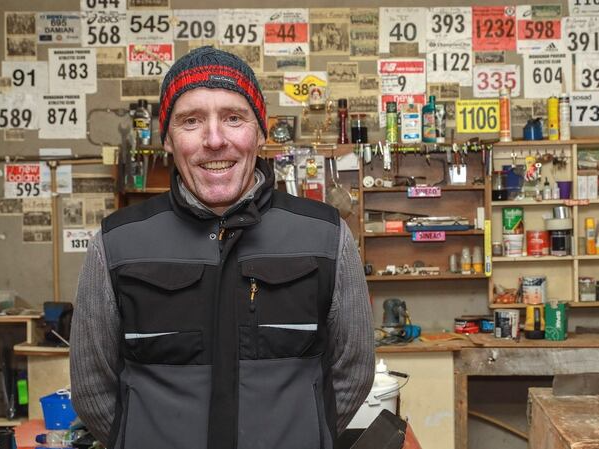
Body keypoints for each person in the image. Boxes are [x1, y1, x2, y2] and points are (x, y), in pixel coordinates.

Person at [70, 46, 374, 449]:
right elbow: (93, 388)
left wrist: (306, 434)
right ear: (167, 139)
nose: (214, 140)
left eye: (233, 118)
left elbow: (354, 370)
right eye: (190, 121)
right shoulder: (117, 243)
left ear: (261, 133)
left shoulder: (325, 236)